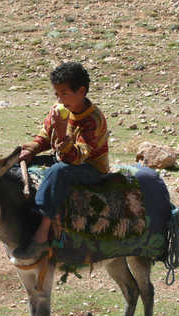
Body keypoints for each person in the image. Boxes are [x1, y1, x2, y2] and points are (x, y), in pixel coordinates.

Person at [13, 62, 110, 259]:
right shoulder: (59, 109)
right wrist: (31, 150)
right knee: (16, 164)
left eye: (64, 93)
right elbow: (45, 137)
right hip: (64, 160)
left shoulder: (93, 119)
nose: (59, 99)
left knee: (58, 172)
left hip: (90, 168)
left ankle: (42, 232)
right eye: (56, 94)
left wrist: (60, 131)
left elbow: (76, 158)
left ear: (81, 91)